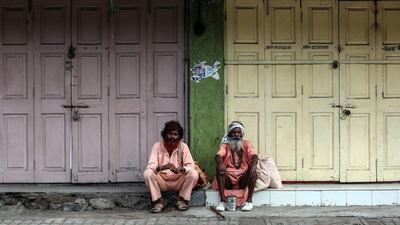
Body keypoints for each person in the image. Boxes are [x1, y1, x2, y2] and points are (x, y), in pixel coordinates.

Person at [143, 120, 198, 213]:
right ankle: (158, 201)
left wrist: (183, 168)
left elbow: (191, 165)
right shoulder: (157, 146)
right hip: (162, 181)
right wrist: (162, 167)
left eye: (175, 134)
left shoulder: (183, 147)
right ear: (165, 135)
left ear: (179, 136)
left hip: (178, 181)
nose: (172, 137)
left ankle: (181, 201)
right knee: (147, 173)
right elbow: (150, 165)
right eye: (170, 134)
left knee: (194, 174)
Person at [213, 121, 258, 211]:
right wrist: (220, 163)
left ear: (242, 133)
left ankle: (249, 202)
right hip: (228, 178)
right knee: (219, 168)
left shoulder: (247, 143)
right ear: (230, 133)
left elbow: (254, 156)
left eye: (238, 132)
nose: (236, 134)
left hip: (242, 179)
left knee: (252, 170)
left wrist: (253, 168)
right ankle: (222, 202)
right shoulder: (225, 145)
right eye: (233, 132)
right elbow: (218, 156)